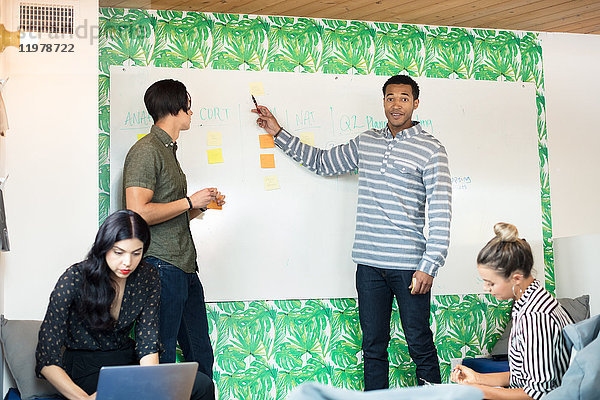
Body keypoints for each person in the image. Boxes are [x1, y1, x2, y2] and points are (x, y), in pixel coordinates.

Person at [252, 75, 452, 390]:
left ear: (415, 103)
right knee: (373, 348)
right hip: (369, 266)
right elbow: (322, 162)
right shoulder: (366, 142)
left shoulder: (431, 149)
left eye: (403, 97)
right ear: (383, 102)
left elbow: (441, 210)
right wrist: (277, 132)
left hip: (410, 267)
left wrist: (430, 265)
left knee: (420, 345)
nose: (395, 104)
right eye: (389, 97)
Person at [35, 210, 215, 400]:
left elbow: (147, 343)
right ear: (104, 247)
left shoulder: (147, 276)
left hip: (127, 364)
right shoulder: (74, 278)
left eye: (136, 253)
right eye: (119, 253)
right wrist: (84, 399)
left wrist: (150, 384)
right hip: (85, 366)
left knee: (202, 384)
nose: (127, 262)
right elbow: (47, 357)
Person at [123, 79, 225, 379]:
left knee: (200, 355)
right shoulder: (146, 150)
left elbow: (169, 214)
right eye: (188, 105)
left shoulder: (168, 151)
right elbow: (137, 212)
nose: (191, 112)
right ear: (175, 107)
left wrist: (200, 206)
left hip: (182, 266)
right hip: (160, 266)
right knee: (163, 355)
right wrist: (188, 200)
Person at [451, 222, 574, 399]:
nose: (486, 288)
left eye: (491, 283)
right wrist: (477, 378)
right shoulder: (528, 301)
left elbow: (538, 393)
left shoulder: (535, 317)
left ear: (516, 278)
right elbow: (525, 376)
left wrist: (477, 390)